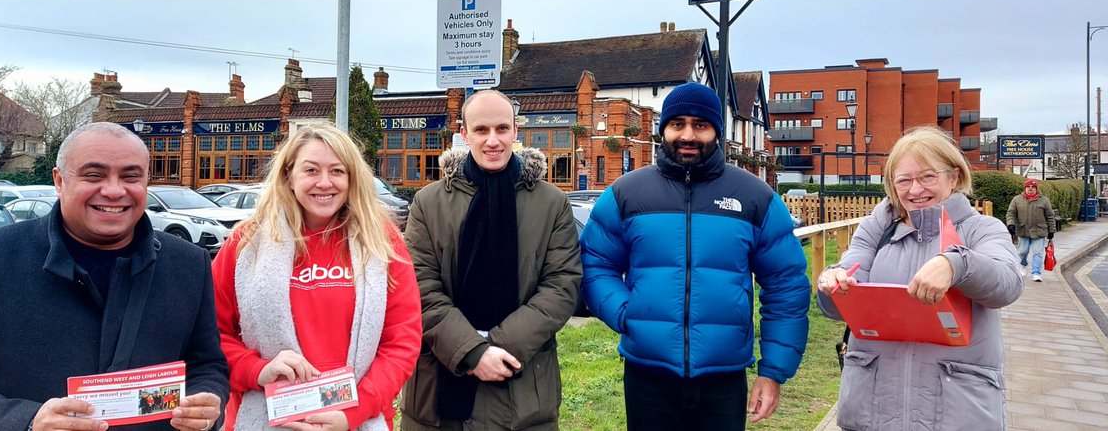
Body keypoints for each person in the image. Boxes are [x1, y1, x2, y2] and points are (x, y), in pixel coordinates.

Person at [0, 121, 229, 431]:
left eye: (130, 176)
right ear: (59, 181)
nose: (115, 190)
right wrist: (27, 422)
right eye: (94, 175)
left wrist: (209, 405)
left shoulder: (189, 264)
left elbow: (207, 366)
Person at [579, 82, 810, 431]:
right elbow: (595, 263)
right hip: (647, 377)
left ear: (716, 131)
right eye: (678, 124)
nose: (688, 134)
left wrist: (774, 370)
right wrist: (626, 314)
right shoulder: (626, 193)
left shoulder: (754, 197)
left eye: (700, 125)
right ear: (663, 130)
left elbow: (786, 285)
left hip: (724, 379)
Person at [213, 122, 421, 431]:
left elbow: (402, 341)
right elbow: (210, 333)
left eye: (337, 171)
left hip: (356, 419)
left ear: (352, 179)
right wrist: (256, 369)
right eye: (311, 170)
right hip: (264, 418)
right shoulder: (246, 242)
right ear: (289, 175)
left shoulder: (381, 241)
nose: (324, 183)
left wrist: (353, 412)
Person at [817, 126, 1023, 430]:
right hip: (873, 409)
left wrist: (957, 264)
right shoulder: (877, 229)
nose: (915, 190)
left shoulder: (983, 229)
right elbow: (847, 283)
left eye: (927, 177)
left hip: (957, 410)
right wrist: (833, 284)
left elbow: (1007, 284)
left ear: (953, 177)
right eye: (904, 180)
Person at [400, 90, 582, 431]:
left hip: (523, 395)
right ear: (464, 133)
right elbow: (418, 287)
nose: (493, 141)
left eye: (502, 129)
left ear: (516, 131)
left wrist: (496, 347)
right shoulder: (429, 203)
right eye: (481, 130)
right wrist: (472, 352)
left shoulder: (551, 203)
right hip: (437, 399)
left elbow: (562, 286)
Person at [1006, 178, 1056, 282]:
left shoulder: (1044, 200)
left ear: (1036, 189)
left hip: (1039, 231)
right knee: (1022, 252)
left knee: (1037, 253)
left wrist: (1051, 230)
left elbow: (1050, 216)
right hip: (1023, 230)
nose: (1030, 189)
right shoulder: (1017, 199)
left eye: (1033, 187)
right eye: (1028, 187)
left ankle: (1036, 273)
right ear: (1025, 188)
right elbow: (1011, 213)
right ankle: (1023, 265)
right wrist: (1010, 224)